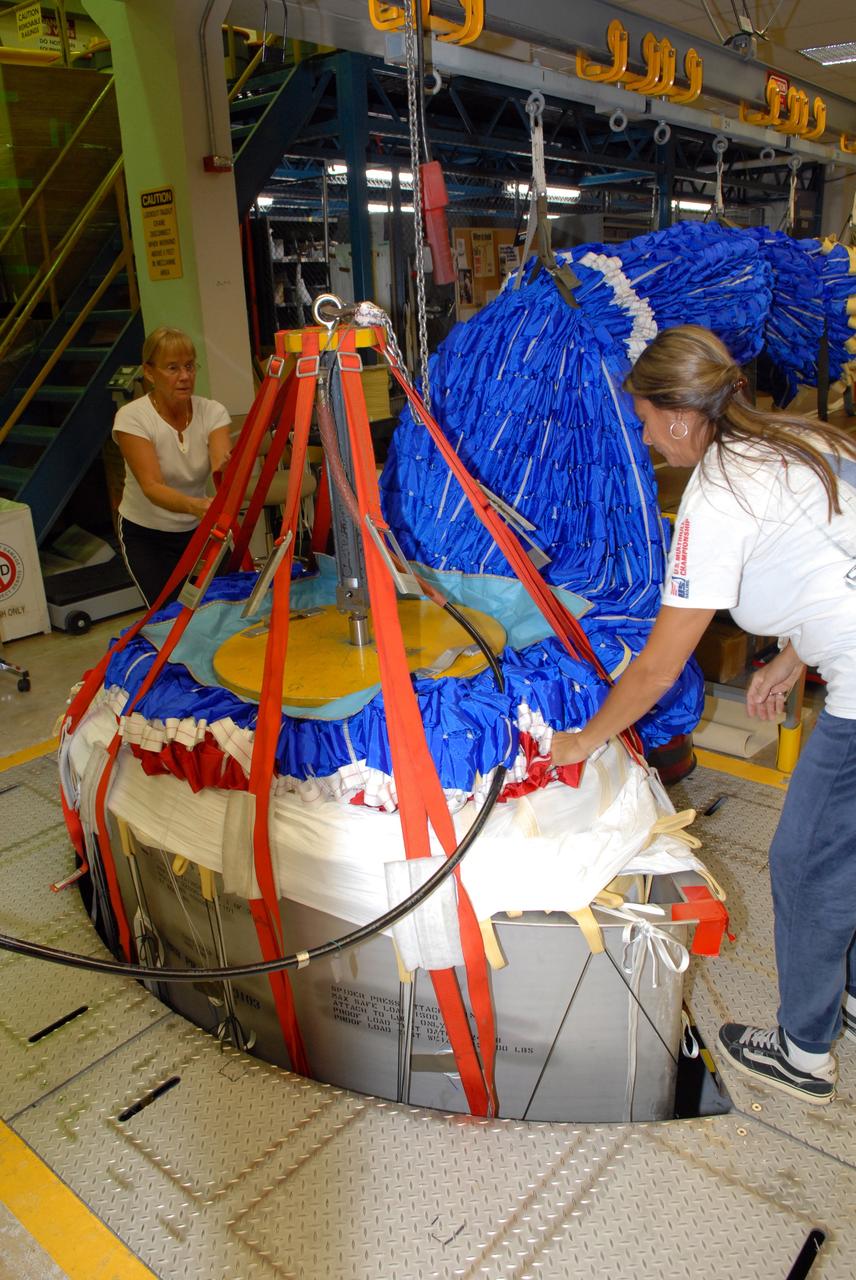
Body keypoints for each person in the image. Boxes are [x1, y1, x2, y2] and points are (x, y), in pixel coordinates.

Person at [551, 324, 856, 1106]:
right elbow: (832, 557)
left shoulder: (716, 496)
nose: (649, 438)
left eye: (649, 421)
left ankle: (803, 1054)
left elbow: (658, 665)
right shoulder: (792, 441)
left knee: (806, 861)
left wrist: (586, 739)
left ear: (682, 416)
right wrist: (797, 656)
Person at [113, 327, 232, 606]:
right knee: (166, 617)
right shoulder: (132, 418)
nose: (185, 376)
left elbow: (221, 467)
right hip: (147, 533)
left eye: (190, 366)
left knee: (219, 606)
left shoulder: (212, 412)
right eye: (173, 368)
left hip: (199, 531)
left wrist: (230, 473)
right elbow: (152, 487)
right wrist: (197, 506)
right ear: (150, 372)